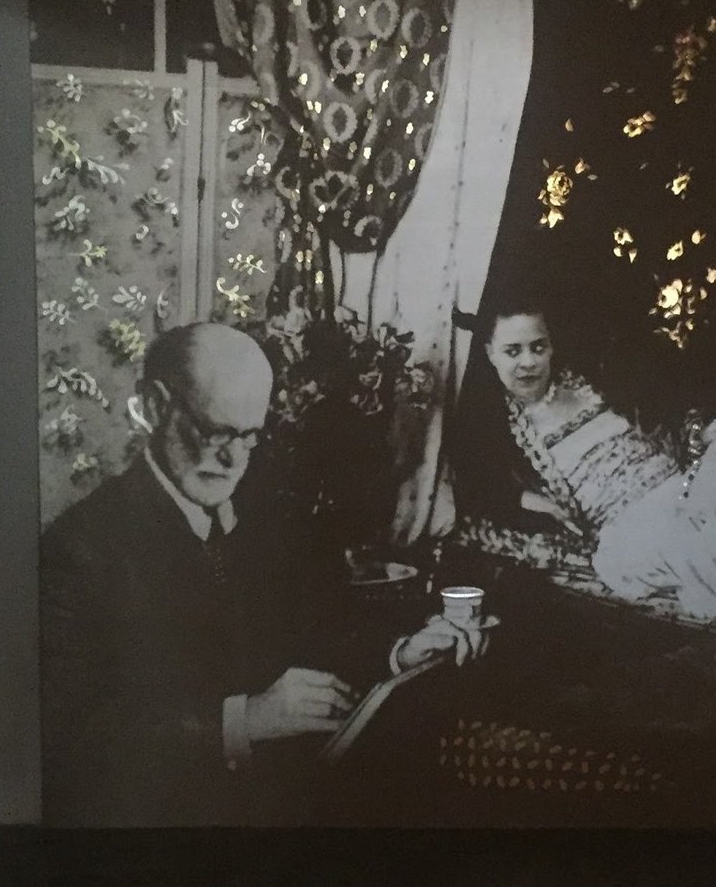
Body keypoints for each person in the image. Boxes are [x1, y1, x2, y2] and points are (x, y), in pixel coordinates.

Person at [40, 322, 487, 827]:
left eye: (249, 437)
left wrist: (400, 652)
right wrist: (243, 720)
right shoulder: (79, 549)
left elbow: (319, 627)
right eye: (214, 432)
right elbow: (69, 737)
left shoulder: (267, 512)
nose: (232, 460)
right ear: (155, 405)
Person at [457, 296, 716, 669]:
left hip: (680, 487)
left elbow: (667, 405)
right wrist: (532, 500)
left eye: (538, 346)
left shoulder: (589, 381)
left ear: (552, 345)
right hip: (624, 527)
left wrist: (698, 432)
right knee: (681, 539)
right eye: (513, 351)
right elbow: (476, 486)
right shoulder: (495, 426)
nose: (528, 362)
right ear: (490, 352)